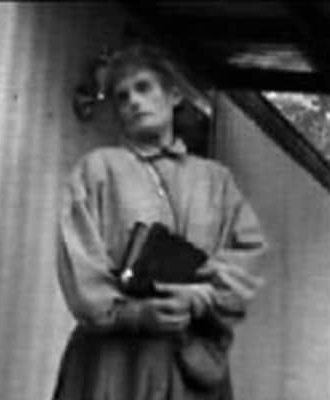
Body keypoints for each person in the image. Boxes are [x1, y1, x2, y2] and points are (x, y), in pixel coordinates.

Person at [52, 45, 267, 400]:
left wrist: (202, 298)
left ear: (174, 95)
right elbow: (79, 259)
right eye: (122, 97)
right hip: (115, 362)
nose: (134, 102)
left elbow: (248, 254)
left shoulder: (215, 180)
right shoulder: (97, 169)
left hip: (192, 360)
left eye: (143, 87)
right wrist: (136, 314)